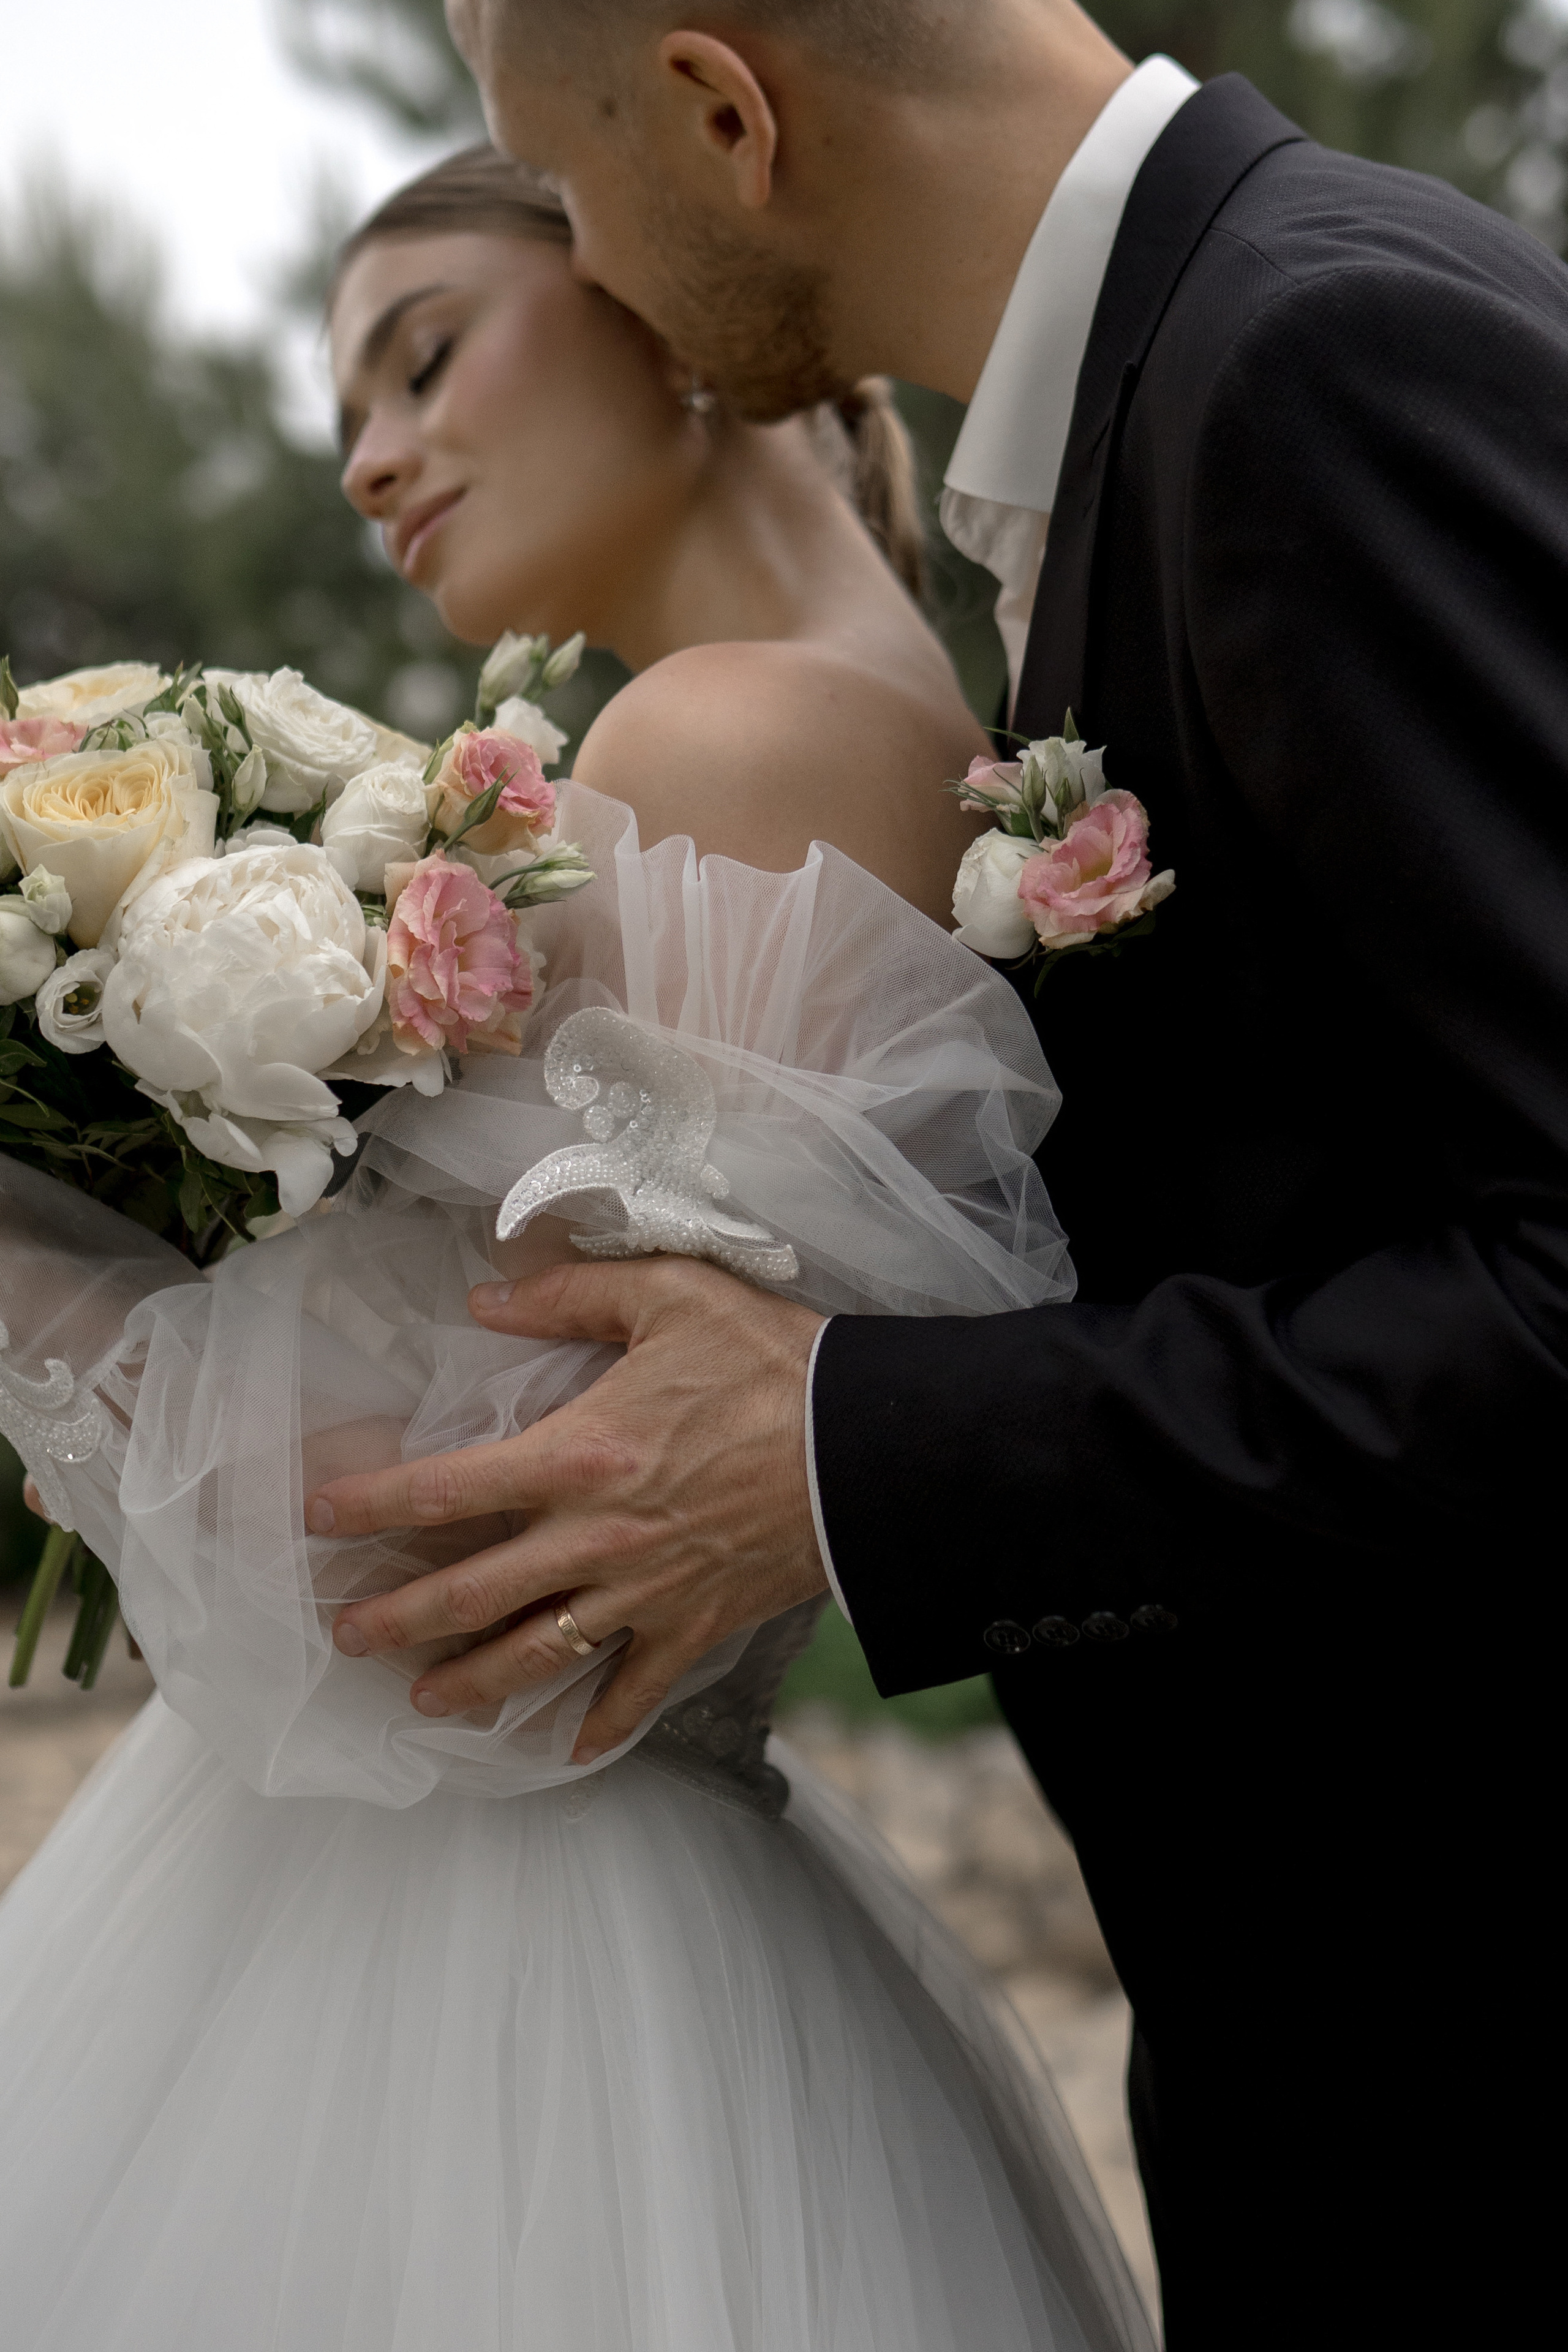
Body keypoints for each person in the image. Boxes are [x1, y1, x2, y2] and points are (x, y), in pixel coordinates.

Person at [308, 5, 1568, 2343]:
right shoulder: (1148, 443)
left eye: (565, 199)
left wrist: (832, 1445)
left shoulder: (1311, 359)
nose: (591, 259)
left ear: (720, 113)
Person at [0, 150, 1156, 2351]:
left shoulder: (725, 736)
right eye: (351, 404)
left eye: (426, 354)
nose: (365, 457)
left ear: (660, 298)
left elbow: (418, 1577)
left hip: (472, 1976)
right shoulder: (874, 717)